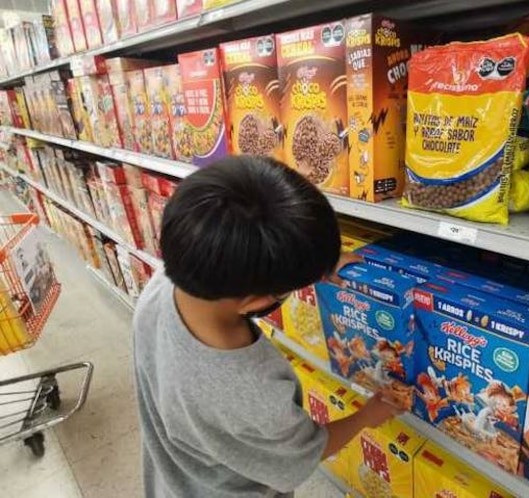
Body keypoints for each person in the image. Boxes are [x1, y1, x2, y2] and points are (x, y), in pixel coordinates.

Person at [133, 156, 401, 498]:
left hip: (171, 480)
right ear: (255, 303)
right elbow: (305, 452)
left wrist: (310, 261)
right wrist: (367, 415)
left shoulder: (166, 284)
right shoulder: (249, 388)